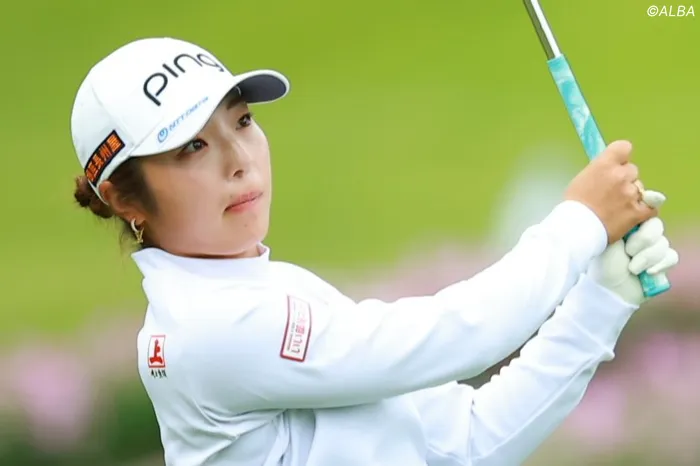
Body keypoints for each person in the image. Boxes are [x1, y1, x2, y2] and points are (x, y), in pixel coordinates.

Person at [69, 37, 679, 466]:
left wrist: (601, 298)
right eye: (192, 147)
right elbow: (455, 335)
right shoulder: (213, 328)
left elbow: (466, 444)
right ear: (126, 198)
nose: (239, 160)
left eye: (243, 121)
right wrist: (580, 221)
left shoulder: (272, 288)